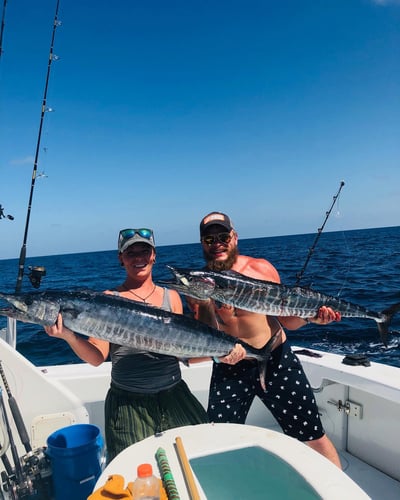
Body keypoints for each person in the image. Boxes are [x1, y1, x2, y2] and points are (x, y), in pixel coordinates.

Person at [189, 211, 342, 468]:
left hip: (276, 359)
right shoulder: (197, 283)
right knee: (219, 439)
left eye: (223, 236)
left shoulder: (261, 268)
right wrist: (204, 304)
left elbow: (288, 320)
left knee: (312, 437)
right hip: (231, 366)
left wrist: (312, 317)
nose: (217, 244)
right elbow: (205, 336)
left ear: (235, 238)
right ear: (202, 244)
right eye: (209, 239)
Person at [44, 227, 209, 462]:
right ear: (121, 258)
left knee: (197, 455)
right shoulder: (107, 299)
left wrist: (218, 355)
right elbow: (97, 358)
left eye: (145, 251)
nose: (139, 259)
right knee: (134, 469)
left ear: (154, 255)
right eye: (131, 253)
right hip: (128, 401)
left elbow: (184, 352)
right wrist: (69, 336)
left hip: (174, 394)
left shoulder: (170, 297)